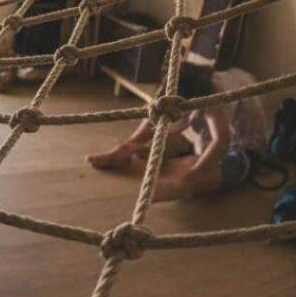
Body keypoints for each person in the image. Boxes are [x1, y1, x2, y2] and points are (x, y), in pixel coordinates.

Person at [87, 62, 269, 201]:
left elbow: (221, 141)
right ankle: (125, 149)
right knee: (160, 121)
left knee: (200, 177)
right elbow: (159, 112)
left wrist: (193, 175)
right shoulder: (193, 81)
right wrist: (133, 142)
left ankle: (183, 185)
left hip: (244, 151)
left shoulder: (212, 95)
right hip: (207, 133)